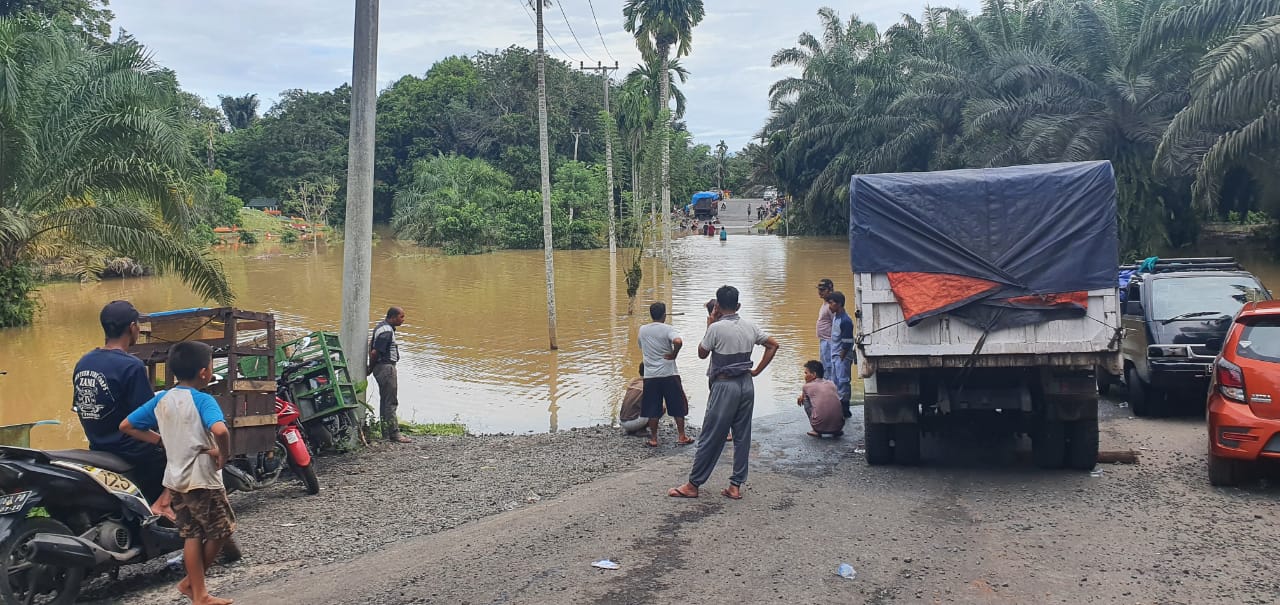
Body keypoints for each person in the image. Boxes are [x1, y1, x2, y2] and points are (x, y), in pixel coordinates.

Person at [120, 341, 234, 605]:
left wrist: (160, 440)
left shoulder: (162, 398)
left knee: (192, 534)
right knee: (221, 532)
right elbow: (220, 431)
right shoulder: (204, 400)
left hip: (175, 480)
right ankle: (193, 586)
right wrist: (222, 454)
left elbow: (126, 425)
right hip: (202, 480)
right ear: (205, 372)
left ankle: (197, 591)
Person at [668, 285, 779, 501]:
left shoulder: (716, 328)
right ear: (738, 305)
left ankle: (693, 484)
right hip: (746, 384)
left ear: (717, 306)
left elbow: (702, 354)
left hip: (724, 385)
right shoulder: (750, 326)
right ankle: (735, 485)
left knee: (711, 434)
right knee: (742, 435)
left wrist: (710, 323)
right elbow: (773, 345)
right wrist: (756, 370)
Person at [72, 301, 166, 506]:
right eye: (138, 325)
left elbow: (82, 407)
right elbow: (148, 418)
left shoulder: (84, 362)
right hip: (135, 452)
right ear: (132, 327)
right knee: (179, 458)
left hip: (98, 447)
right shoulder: (132, 366)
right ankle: (164, 512)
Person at [638, 302, 693, 447]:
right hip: (669, 373)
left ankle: (654, 439)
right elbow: (678, 341)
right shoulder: (668, 329)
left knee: (652, 407)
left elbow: (641, 346)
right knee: (677, 405)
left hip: (650, 375)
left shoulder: (643, 330)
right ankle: (681, 436)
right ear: (664, 315)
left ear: (651, 315)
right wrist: (674, 353)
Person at [370, 307, 411, 444]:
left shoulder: (383, 328)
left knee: (385, 401)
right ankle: (394, 433)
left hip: (382, 367)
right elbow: (375, 352)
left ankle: (385, 432)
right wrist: (370, 368)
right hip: (386, 368)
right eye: (401, 317)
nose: (403, 320)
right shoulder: (387, 331)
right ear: (393, 317)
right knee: (391, 401)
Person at [826, 291, 856, 418]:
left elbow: (847, 342)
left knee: (843, 382)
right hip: (836, 355)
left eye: (831, 303)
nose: (829, 306)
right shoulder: (836, 318)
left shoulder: (845, 321)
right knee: (836, 382)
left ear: (838, 304)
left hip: (841, 356)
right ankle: (838, 407)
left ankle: (845, 409)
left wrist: (842, 357)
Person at [796, 360, 844, 437]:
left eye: (806, 373)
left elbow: (805, 396)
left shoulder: (807, 386)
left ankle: (815, 430)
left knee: (806, 400)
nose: (805, 376)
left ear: (814, 374)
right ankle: (835, 429)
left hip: (819, 427)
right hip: (839, 426)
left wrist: (805, 390)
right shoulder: (831, 383)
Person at [619, 365, 659, 435]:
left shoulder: (633, 381)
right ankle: (641, 430)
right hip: (634, 423)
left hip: (623, 421)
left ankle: (631, 430)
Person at [815, 279, 836, 383]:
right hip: (824, 340)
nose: (820, 292)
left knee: (829, 367)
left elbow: (836, 324)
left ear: (830, 290)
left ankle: (830, 389)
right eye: (819, 290)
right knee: (824, 366)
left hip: (829, 341)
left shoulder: (831, 306)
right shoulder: (825, 303)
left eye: (823, 290)